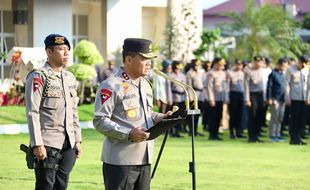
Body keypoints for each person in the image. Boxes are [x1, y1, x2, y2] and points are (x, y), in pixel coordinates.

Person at [93, 38, 172, 190]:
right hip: (121, 161)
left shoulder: (145, 84)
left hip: (144, 157)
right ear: (128, 60)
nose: (149, 63)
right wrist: (129, 133)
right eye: (144, 59)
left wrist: (161, 118)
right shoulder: (111, 85)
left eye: (150, 59)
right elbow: (100, 120)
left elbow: (145, 114)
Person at [25, 34, 82, 190]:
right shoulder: (39, 77)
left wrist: (77, 140)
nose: (66, 53)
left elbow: (73, 110)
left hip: (68, 144)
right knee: (46, 186)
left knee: (61, 185)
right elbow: (32, 112)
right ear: (49, 52)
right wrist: (37, 143)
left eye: (67, 49)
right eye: (61, 49)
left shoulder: (69, 78)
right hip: (47, 142)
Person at [286, 55, 309, 145]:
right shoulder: (290, 70)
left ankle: (299, 137)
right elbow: (287, 84)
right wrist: (288, 97)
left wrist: (308, 97)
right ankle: (293, 138)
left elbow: (308, 84)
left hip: (304, 99)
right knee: (294, 119)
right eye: (302, 64)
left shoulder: (306, 70)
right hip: (294, 98)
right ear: (299, 61)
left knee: (302, 119)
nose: (303, 66)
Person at [266, 58, 288, 142]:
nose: (284, 68)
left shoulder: (283, 74)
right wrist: (271, 98)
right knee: (274, 117)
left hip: (283, 99)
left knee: (280, 117)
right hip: (276, 99)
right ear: (279, 65)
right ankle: (272, 135)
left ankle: (278, 134)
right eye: (283, 66)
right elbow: (269, 87)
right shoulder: (273, 74)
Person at [206, 58, 228, 140]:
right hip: (214, 98)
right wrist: (211, 99)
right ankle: (212, 134)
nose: (221, 66)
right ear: (215, 64)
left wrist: (226, 97)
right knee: (213, 117)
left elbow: (225, 87)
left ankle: (216, 133)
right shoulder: (211, 73)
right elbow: (209, 87)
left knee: (219, 116)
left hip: (220, 97)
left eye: (222, 65)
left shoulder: (223, 73)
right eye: (220, 64)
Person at [244, 56, 265, 143]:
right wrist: (247, 99)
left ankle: (257, 135)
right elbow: (246, 86)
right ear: (253, 62)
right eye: (256, 62)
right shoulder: (248, 71)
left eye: (260, 62)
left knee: (259, 116)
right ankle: (251, 136)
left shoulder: (262, 70)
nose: (258, 64)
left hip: (261, 94)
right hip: (252, 95)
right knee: (252, 115)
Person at [227, 59, 246, 139]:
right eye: (237, 64)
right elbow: (227, 86)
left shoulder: (243, 73)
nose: (239, 66)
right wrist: (227, 97)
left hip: (241, 94)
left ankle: (239, 131)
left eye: (240, 64)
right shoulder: (230, 73)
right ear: (235, 64)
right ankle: (232, 132)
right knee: (233, 114)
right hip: (233, 94)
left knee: (240, 114)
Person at [186, 59, 205, 136]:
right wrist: (191, 98)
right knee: (192, 115)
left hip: (201, 94)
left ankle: (196, 130)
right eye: (196, 65)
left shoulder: (201, 72)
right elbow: (189, 86)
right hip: (194, 94)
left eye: (198, 65)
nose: (197, 66)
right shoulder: (190, 73)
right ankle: (192, 131)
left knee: (198, 114)